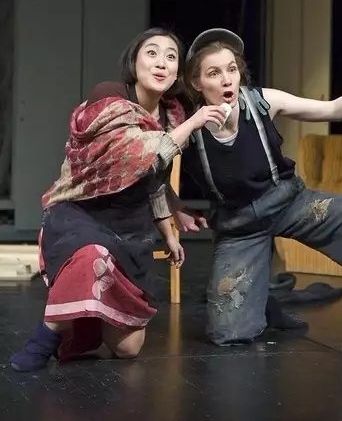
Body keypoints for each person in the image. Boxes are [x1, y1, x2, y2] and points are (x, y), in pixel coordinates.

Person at [176, 28, 342, 367]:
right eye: (214, 73)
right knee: (227, 334)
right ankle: (263, 303)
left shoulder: (261, 100)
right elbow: (153, 165)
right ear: (197, 83)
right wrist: (175, 206)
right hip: (239, 225)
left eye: (232, 69)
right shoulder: (188, 126)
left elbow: (332, 109)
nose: (227, 79)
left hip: (288, 202)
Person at [9, 27, 228, 372]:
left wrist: (170, 231)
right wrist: (194, 122)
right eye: (151, 53)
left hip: (128, 225)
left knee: (128, 349)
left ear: (177, 73)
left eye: (171, 57)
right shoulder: (109, 98)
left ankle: (83, 323)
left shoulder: (171, 116)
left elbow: (152, 179)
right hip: (82, 211)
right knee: (91, 255)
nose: (161, 63)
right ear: (134, 62)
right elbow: (138, 154)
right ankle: (44, 338)